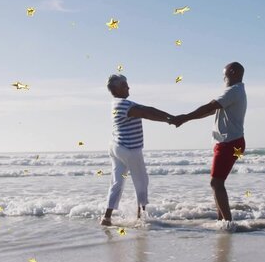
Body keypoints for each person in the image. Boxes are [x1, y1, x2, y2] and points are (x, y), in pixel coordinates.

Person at [171, 62, 247, 230]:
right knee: (217, 183)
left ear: (232, 72)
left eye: (224, 73)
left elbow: (210, 106)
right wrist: (187, 119)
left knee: (216, 183)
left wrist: (184, 117)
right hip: (231, 142)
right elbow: (211, 111)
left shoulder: (233, 90)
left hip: (229, 142)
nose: (223, 76)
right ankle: (222, 221)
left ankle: (227, 223)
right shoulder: (236, 91)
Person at [101, 74, 174, 226]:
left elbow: (146, 110)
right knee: (141, 181)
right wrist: (171, 119)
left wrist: (169, 118)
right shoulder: (123, 104)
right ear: (116, 89)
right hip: (129, 148)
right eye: (124, 85)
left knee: (116, 182)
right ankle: (141, 217)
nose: (128, 87)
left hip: (116, 147)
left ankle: (106, 217)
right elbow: (147, 112)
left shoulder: (115, 103)